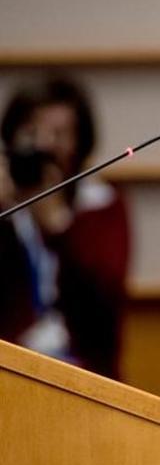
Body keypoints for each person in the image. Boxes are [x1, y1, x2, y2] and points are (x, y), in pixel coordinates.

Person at [0, 76, 131, 379]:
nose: (44, 145)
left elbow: (103, 312)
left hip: (87, 373)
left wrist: (59, 226)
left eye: (60, 134)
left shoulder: (102, 205)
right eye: (31, 132)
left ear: (81, 143)